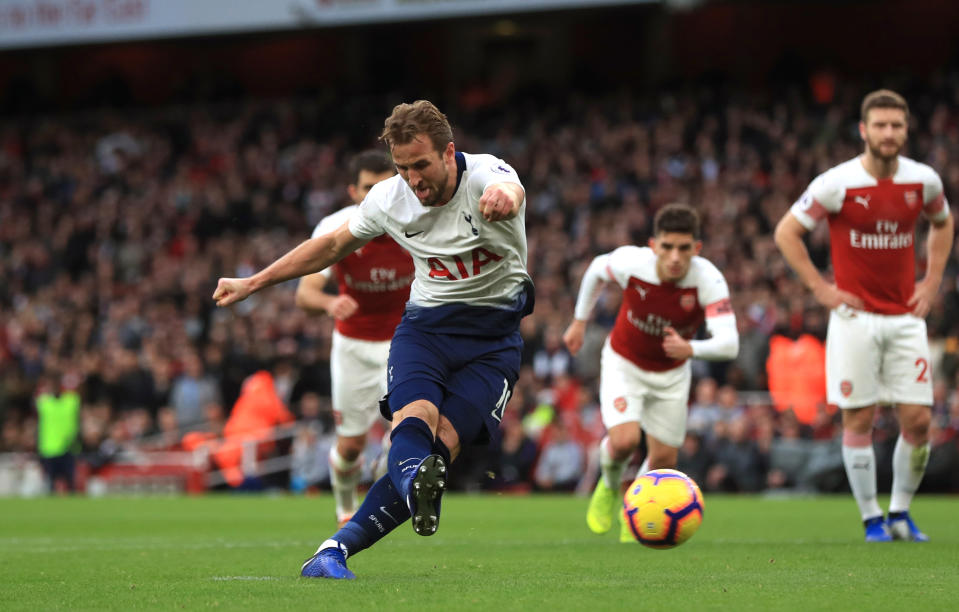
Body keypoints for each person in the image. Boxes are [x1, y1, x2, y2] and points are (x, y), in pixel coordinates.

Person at [212, 100, 532, 579]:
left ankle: (331, 551)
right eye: (403, 168)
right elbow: (330, 247)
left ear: (448, 153)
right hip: (426, 329)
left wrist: (506, 198)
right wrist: (253, 282)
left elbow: (511, 188)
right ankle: (385, 508)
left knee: (442, 447)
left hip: (494, 340)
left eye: (421, 165)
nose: (413, 180)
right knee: (415, 420)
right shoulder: (389, 198)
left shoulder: (487, 174)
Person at [774, 89, 953, 542]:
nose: (889, 133)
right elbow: (787, 232)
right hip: (854, 320)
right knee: (859, 419)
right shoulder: (836, 183)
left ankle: (900, 512)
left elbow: (943, 223)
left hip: (905, 318)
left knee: (917, 421)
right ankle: (871, 517)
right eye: (880, 125)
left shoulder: (923, 181)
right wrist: (820, 288)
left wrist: (930, 283)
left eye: (896, 125)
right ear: (864, 130)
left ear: (906, 130)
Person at [563, 203, 738, 542]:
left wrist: (692, 349)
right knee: (625, 442)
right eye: (667, 247)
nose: (675, 256)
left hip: (672, 375)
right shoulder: (634, 264)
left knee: (663, 460)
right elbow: (597, 269)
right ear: (654, 244)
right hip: (624, 363)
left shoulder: (708, 280)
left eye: (684, 248)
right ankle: (609, 486)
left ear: (696, 249)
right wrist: (579, 321)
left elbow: (729, 343)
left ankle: (635, 511)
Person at [294, 150, 412, 526]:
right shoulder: (336, 228)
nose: (377, 194)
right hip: (353, 347)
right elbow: (304, 294)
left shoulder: (417, 221)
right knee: (350, 447)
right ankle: (345, 504)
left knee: (406, 433)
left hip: (404, 343)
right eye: (368, 187)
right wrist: (330, 303)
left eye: (385, 185)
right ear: (352, 191)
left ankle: (375, 505)